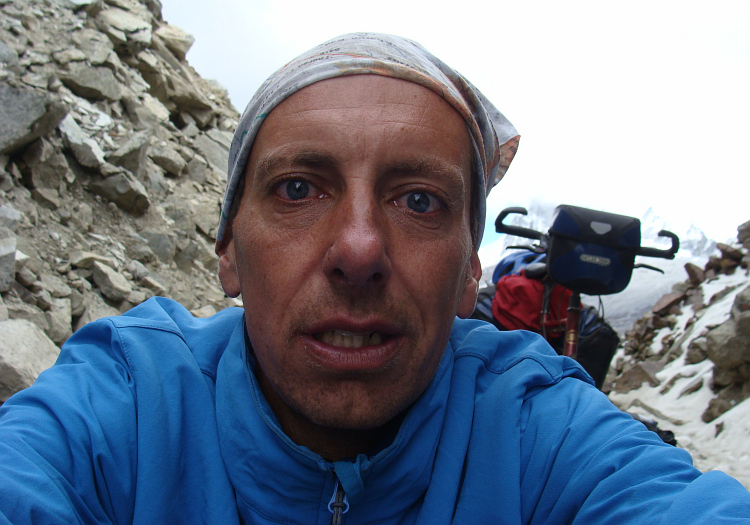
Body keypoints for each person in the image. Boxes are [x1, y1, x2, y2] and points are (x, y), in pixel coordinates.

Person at [1, 33, 748, 524]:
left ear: (468, 274)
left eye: (419, 201)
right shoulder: (127, 404)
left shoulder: (536, 429)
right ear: (229, 248)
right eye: (298, 189)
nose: (359, 249)